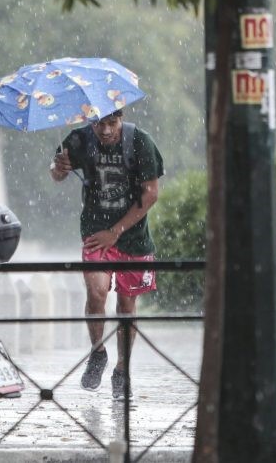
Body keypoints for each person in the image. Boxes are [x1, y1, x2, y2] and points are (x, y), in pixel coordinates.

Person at [49, 109, 164, 400]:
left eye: (112, 123)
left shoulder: (140, 142)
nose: (106, 130)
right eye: (99, 123)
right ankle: (97, 351)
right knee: (97, 293)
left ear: (121, 118)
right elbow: (56, 173)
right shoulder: (79, 140)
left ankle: (123, 369)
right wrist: (59, 168)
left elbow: (151, 193)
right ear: (91, 122)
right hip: (94, 231)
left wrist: (116, 231)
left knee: (127, 305)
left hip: (133, 237)